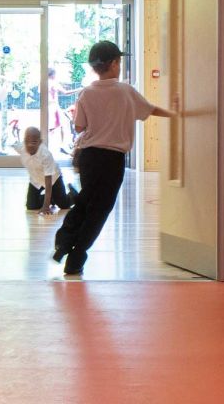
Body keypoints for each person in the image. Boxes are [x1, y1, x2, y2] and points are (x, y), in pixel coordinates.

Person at [52, 41, 176, 276]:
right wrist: (175, 114)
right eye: (119, 61)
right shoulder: (125, 91)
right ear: (114, 64)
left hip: (89, 157)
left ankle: (65, 241)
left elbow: (80, 127)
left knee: (87, 202)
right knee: (99, 209)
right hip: (112, 160)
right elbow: (150, 110)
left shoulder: (86, 93)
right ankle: (75, 256)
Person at [14, 126, 76, 215]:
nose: (30, 145)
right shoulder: (21, 148)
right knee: (31, 206)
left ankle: (73, 194)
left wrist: (46, 206)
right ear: (24, 141)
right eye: (27, 141)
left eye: (34, 142)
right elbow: (12, 144)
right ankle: (51, 198)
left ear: (40, 142)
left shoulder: (45, 154)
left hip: (53, 179)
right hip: (36, 180)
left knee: (64, 205)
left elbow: (48, 182)